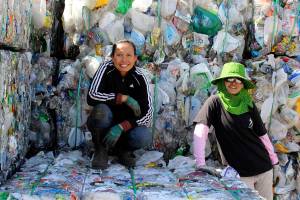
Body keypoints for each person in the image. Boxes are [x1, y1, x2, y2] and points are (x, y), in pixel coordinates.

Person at [193, 62, 279, 200]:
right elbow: (200, 131)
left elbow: (262, 134)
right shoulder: (215, 102)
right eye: (229, 79)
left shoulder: (247, 102)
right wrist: (200, 163)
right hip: (240, 175)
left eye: (238, 79)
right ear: (222, 81)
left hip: (264, 168)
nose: (234, 83)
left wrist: (274, 161)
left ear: (243, 83)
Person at [87, 40, 153, 169]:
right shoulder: (105, 68)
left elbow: (147, 114)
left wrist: (122, 126)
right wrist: (122, 98)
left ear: (135, 58)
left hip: (125, 129)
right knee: (101, 111)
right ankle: (101, 149)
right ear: (112, 57)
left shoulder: (140, 77)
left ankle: (123, 151)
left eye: (128, 55)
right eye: (119, 55)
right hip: (105, 124)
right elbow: (92, 96)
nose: (124, 60)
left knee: (144, 136)